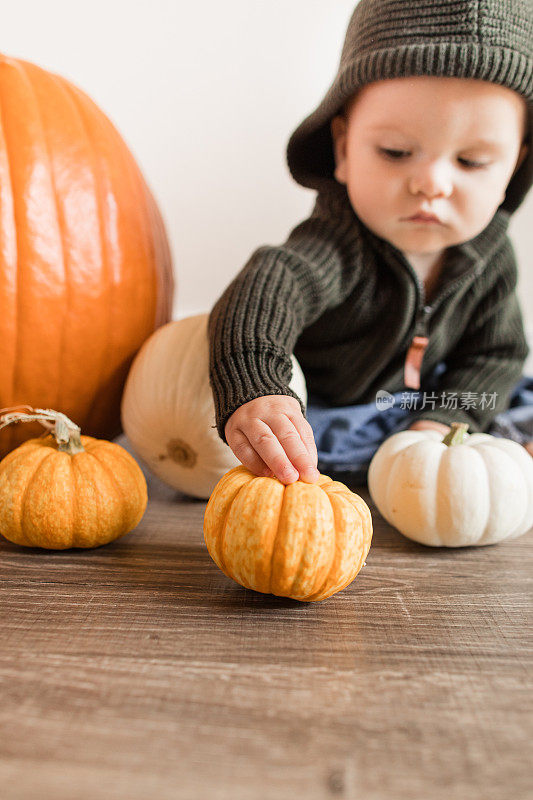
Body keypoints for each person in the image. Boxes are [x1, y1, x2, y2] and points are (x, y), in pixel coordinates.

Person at [208, 0, 533, 486]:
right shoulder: (335, 244)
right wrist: (258, 389)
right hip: (337, 411)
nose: (431, 183)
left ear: (513, 168)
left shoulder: (489, 255)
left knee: (509, 396)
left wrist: (441, 426)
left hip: (430, 400)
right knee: (298, 439)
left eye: (472, 161)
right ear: (344, 148)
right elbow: (261, 295)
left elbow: (494, 356)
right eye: (396, 152)